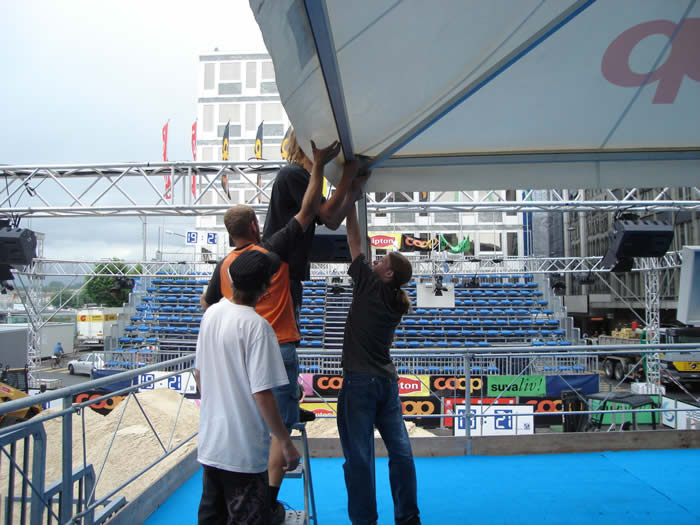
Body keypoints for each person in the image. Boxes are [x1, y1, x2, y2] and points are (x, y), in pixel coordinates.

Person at [201, 139, 341, 523]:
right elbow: (308, 213)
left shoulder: (223, 277)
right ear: (254, 227)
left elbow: (206, 305)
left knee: (212, 507)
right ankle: (268, 502)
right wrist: (319, 165)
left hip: (214, 445)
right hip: (279, 346)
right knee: (278, 427)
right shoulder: (271, 255)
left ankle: (264, 503)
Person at [195, 250, 301, 525]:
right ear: (265, 289)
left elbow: (198, 374)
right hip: (243, 452)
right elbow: (263, 394)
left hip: (211, 445)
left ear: (231, 279)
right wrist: (285, 442)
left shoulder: (211, 313)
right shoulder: (258, 328)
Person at [337, 202, 421, 525]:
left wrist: (349, 203)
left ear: (387, 274)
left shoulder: (368, 285)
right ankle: (408, 517)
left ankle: (365, 521)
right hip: (387, 384)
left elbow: (354, 239)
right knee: (401, 453)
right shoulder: (393, 300)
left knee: (359, 458)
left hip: (360, 383)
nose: (375, 260)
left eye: (382, 260)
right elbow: (363, 247)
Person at [263, 128, 367, 322]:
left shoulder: (303, 178)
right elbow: (328, 214)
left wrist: (351, 192)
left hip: (287, 273)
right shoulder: (293, 173)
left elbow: (333, 221)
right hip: (280, 272)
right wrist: (347, 177)